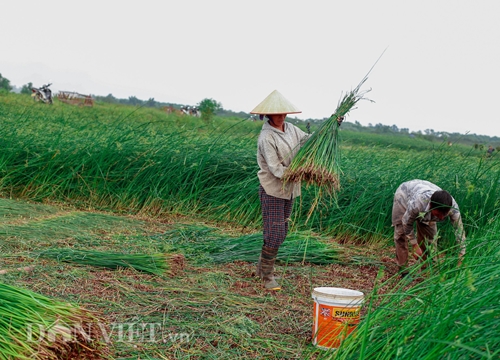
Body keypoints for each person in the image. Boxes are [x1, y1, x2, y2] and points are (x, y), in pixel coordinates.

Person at [251, 90, 341, 290]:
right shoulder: (266, 137)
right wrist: (299, 172)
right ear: (268, 115)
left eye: (284, 112)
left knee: (282, 232)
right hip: (273, 189)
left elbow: (308, 140)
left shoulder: (291, 128)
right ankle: (267, 275)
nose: (282, 116)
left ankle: (261, 267)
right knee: (275, 233)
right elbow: (275, 169)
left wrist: (331, 126)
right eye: (277, 113)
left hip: (290, 189)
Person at [392, 179, 466, 276]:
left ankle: (427, 269)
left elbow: (459, 231)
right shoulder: (417, 204)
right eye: (439, 213)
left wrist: (461, 255)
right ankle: (403, 270)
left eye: (445, 214)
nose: (442, 217)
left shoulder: (453, 207)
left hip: (424, 193)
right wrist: (414, 245)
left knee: (429, 238)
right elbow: (406, 223)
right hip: (404, 195)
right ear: (431, 206)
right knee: (401, 233)